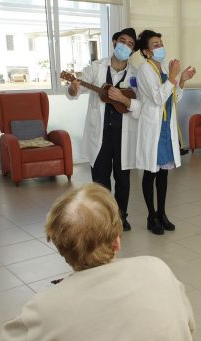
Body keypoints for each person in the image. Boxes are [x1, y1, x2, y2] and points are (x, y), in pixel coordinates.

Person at [0, 183, 198, 341]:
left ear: (62, 249)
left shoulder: (43, 311)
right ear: (117, 240)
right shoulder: (158, 270)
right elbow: (188, 326)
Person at [66, 28, 140, 232]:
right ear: (114, 42)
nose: (125, 46)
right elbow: (76, 90)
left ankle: (121, 216)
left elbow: (140, 106)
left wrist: (123, 99)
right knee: (100, 179)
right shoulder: (96, 67)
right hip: (99, 135)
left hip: (123, 135)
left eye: (130, 44)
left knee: (123, 179)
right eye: (122, 41)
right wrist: (73, 88)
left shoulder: (136, 75)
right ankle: (103, 219)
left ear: (133, 50)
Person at [135, 30, 196, 235]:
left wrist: (183, 80)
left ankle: (162, 213)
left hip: (165, 128)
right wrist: (173, 76)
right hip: (152, 128)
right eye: (155, 45)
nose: (160, 47)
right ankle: (151, 216)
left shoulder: (160, 69)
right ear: (146, 51)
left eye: (161, 43)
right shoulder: (145, 70)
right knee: (150, 172)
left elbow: (173, 99)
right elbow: (158, 99)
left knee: (163, 173)